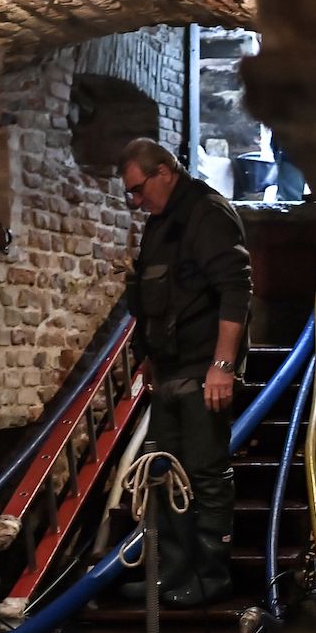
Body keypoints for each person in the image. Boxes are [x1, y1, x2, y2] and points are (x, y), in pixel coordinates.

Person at [118, 137, 252, 607]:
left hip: (202, 368)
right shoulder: (159, 225)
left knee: (207, 473)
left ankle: (210, 578)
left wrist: (222, 365)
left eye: (138, 190)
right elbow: (156, 299)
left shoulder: (207, 214)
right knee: (166, 473)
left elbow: (235, 288)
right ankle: (172, 574)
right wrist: (150, 357)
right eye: (129, 195)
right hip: (170, 369)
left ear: (164, 172)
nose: (135, 202)